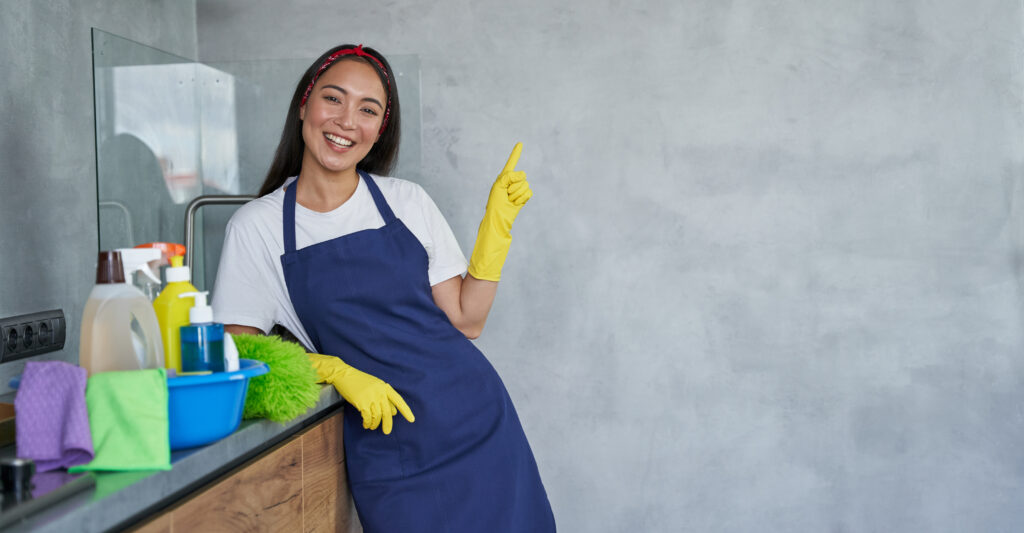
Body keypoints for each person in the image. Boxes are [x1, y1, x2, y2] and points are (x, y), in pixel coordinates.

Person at [211, 44, 556, 532]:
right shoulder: (258, 227)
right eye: (334, 99)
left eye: (368, 110)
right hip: (389, 446)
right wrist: (334, 371)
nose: (347, 120)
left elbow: (468, 319)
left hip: (479, 426)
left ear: (379, 130)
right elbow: (234, 353)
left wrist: (495, 230)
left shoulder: (405, 201)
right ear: (305, 105)